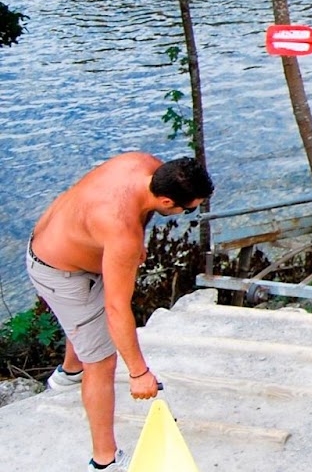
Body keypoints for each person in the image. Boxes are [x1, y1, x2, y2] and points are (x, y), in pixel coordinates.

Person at [26, 155, 214, 470]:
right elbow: (116, 309)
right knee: (102, 362)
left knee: (88, 326)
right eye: (189, 208)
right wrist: (138, 373)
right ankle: (104, 461)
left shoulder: (142, 164)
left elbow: (129, 215)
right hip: (61, 274)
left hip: (61, 242)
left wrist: (132, 238)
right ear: (167, 200)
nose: (188, 213)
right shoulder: (121, 233)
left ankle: (69, 375)